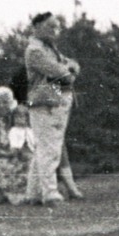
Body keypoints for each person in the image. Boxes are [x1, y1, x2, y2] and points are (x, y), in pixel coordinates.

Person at [23, 12, 80, 207]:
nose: (54, 31)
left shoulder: (49, 49)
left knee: (45, 148)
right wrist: (67, 70)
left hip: (55, 102)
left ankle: (33, 194)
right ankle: (50, 194)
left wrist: (68, 68)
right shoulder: (35, 50)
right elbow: (61, 72)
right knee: (50, 149)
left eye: (56, 27)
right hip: (45, 103)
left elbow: (71, 65)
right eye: (50, 27)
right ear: (36, 27)